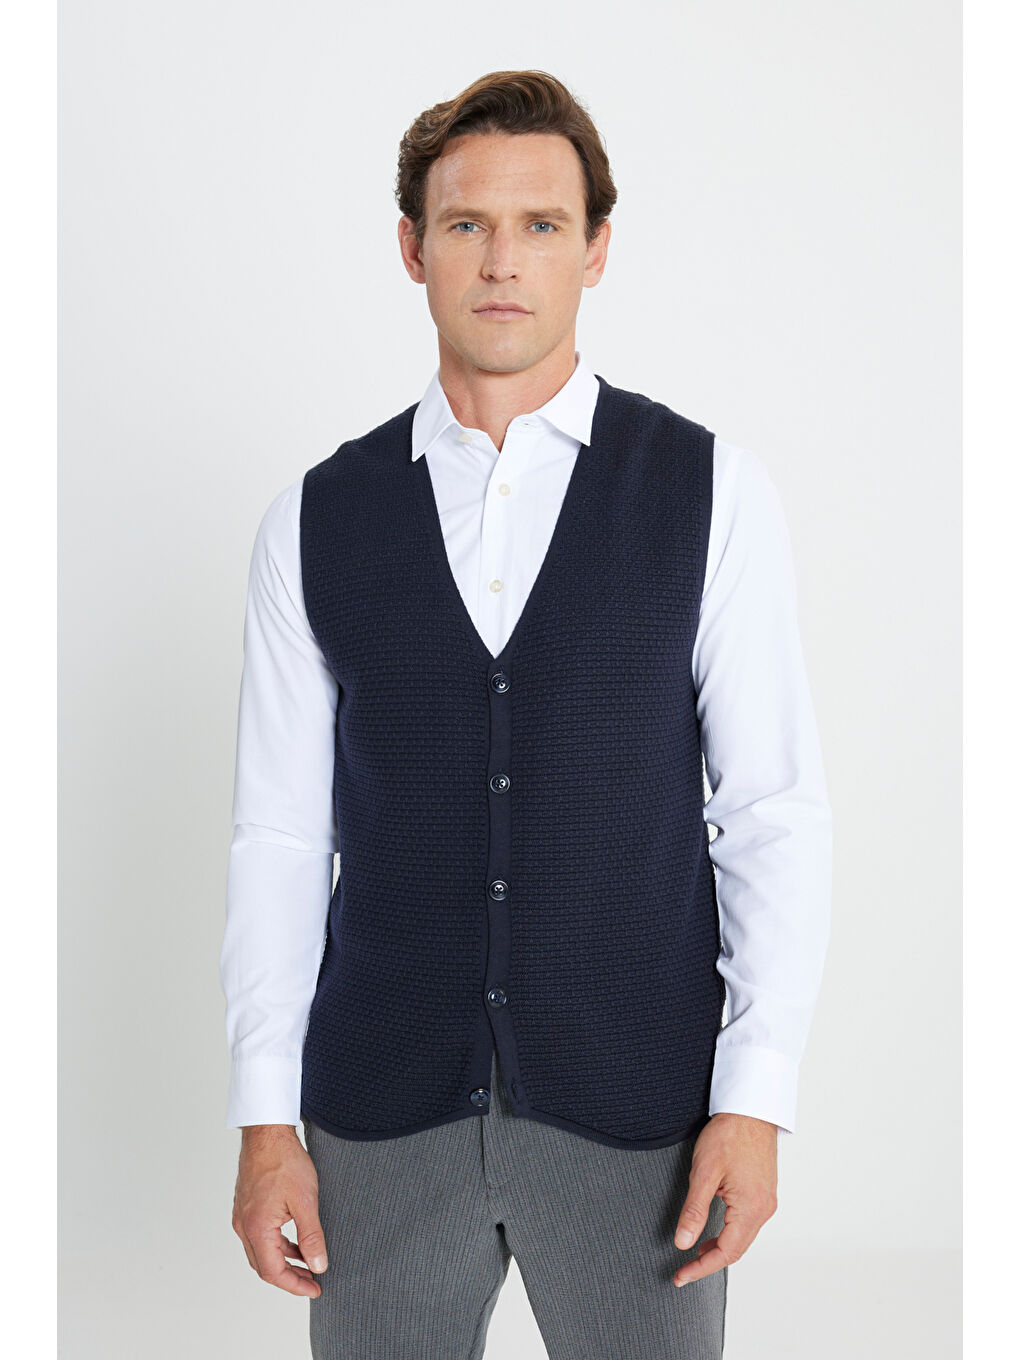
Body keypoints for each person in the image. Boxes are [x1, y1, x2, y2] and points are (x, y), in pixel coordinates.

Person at [219, 68, 832, 1360]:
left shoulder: (708, 493)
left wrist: (755, 1098)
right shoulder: (318, 519)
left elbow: (770, 812)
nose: (504, 261)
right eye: (467, 224)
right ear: (413, 248)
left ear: (596, 250)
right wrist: (267, 1122)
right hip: (382, 1118)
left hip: (641, 1117)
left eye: (542, 224)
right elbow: (277, 837)